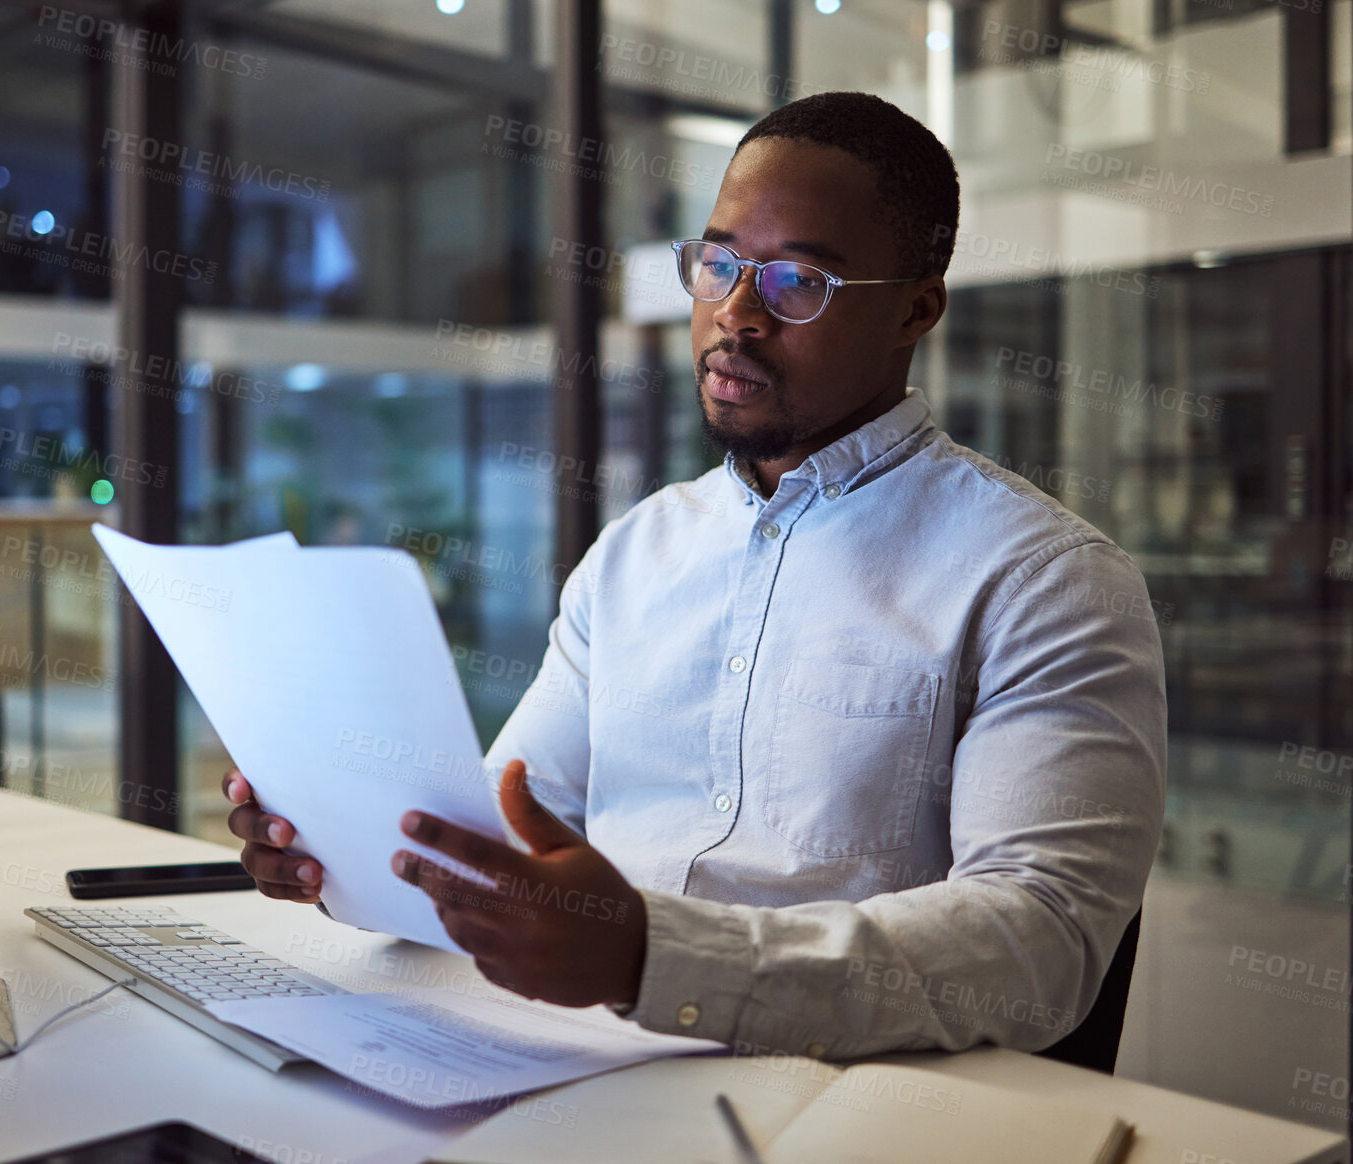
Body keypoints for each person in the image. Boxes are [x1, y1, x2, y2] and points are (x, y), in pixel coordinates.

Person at [221, 90, 1166, 1059]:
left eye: (798, 279)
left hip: (844, 1103)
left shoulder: (1044, 579)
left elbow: (1037, 946)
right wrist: (339, 846)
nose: (735, 313)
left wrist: (652, 960)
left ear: (914, 309)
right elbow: (508, 835)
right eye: (717, 263)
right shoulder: (635, 554)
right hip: (574, 1057)